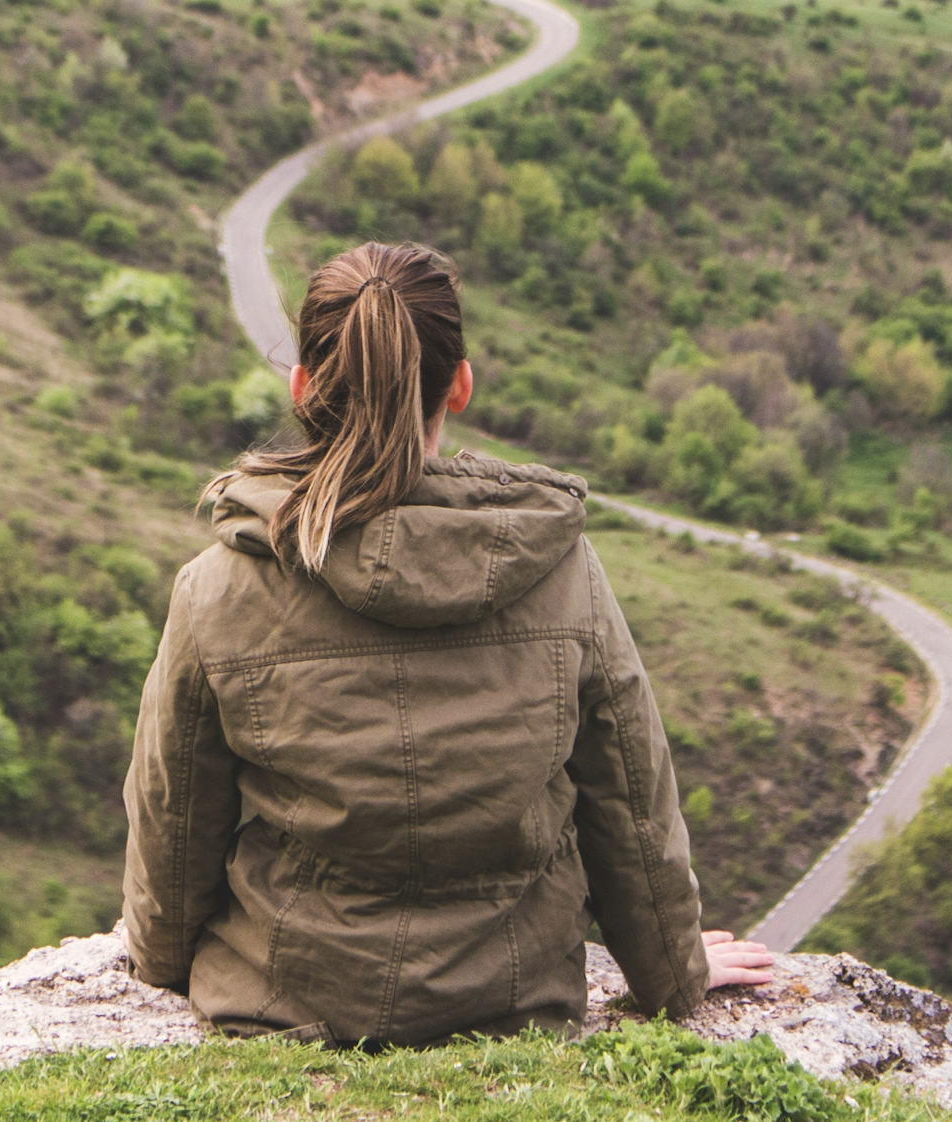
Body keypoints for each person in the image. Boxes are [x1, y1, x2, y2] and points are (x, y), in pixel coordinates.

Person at [122, 241, 769, 1046]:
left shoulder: (217, 586)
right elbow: (630, 802)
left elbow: (174, 817)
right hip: (514, 1005)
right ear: (459, 383)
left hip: (281, 1003)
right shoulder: (561, 570)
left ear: (301, 389)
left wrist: (159, 960)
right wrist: (674, 974)